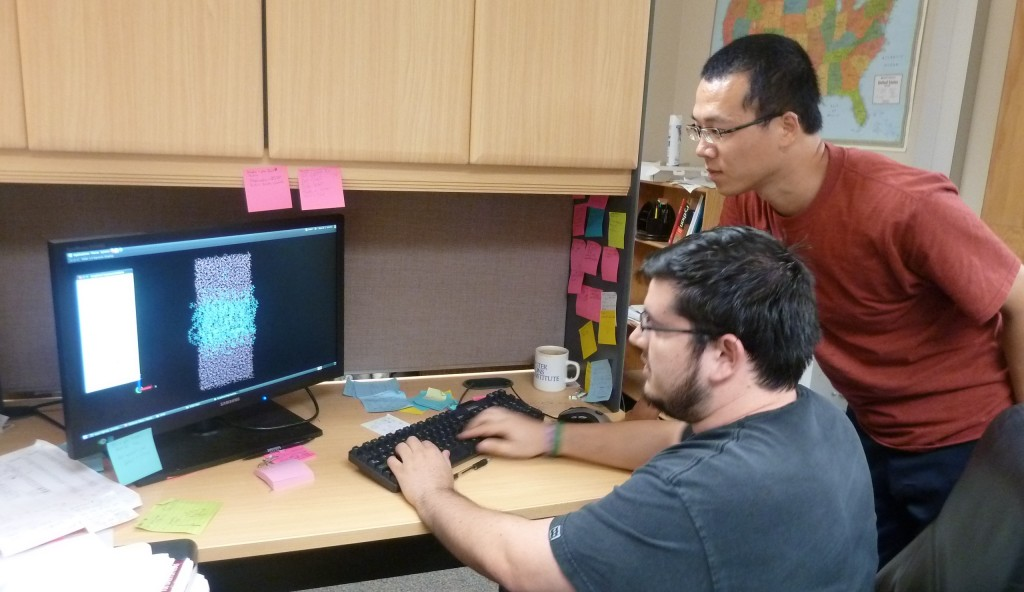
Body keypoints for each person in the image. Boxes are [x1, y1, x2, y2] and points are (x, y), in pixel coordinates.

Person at [388, 226, 877, 591]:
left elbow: (521, 565)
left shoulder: (695, 491)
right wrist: (549, 436)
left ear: (725, 355)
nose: (637, 339)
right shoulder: (820, 418)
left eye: (655, 326)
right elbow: (667, 438)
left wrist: (433, 491)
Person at [689, 33, 1024, 566]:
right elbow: (724, 316)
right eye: (699, 129)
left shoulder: (904, 204)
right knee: (853, 570)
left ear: (787, 127)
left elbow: (1019, 299)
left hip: (963, 441)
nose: (702, 147)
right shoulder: (749, 203)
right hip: (870, 429)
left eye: (719, 131)